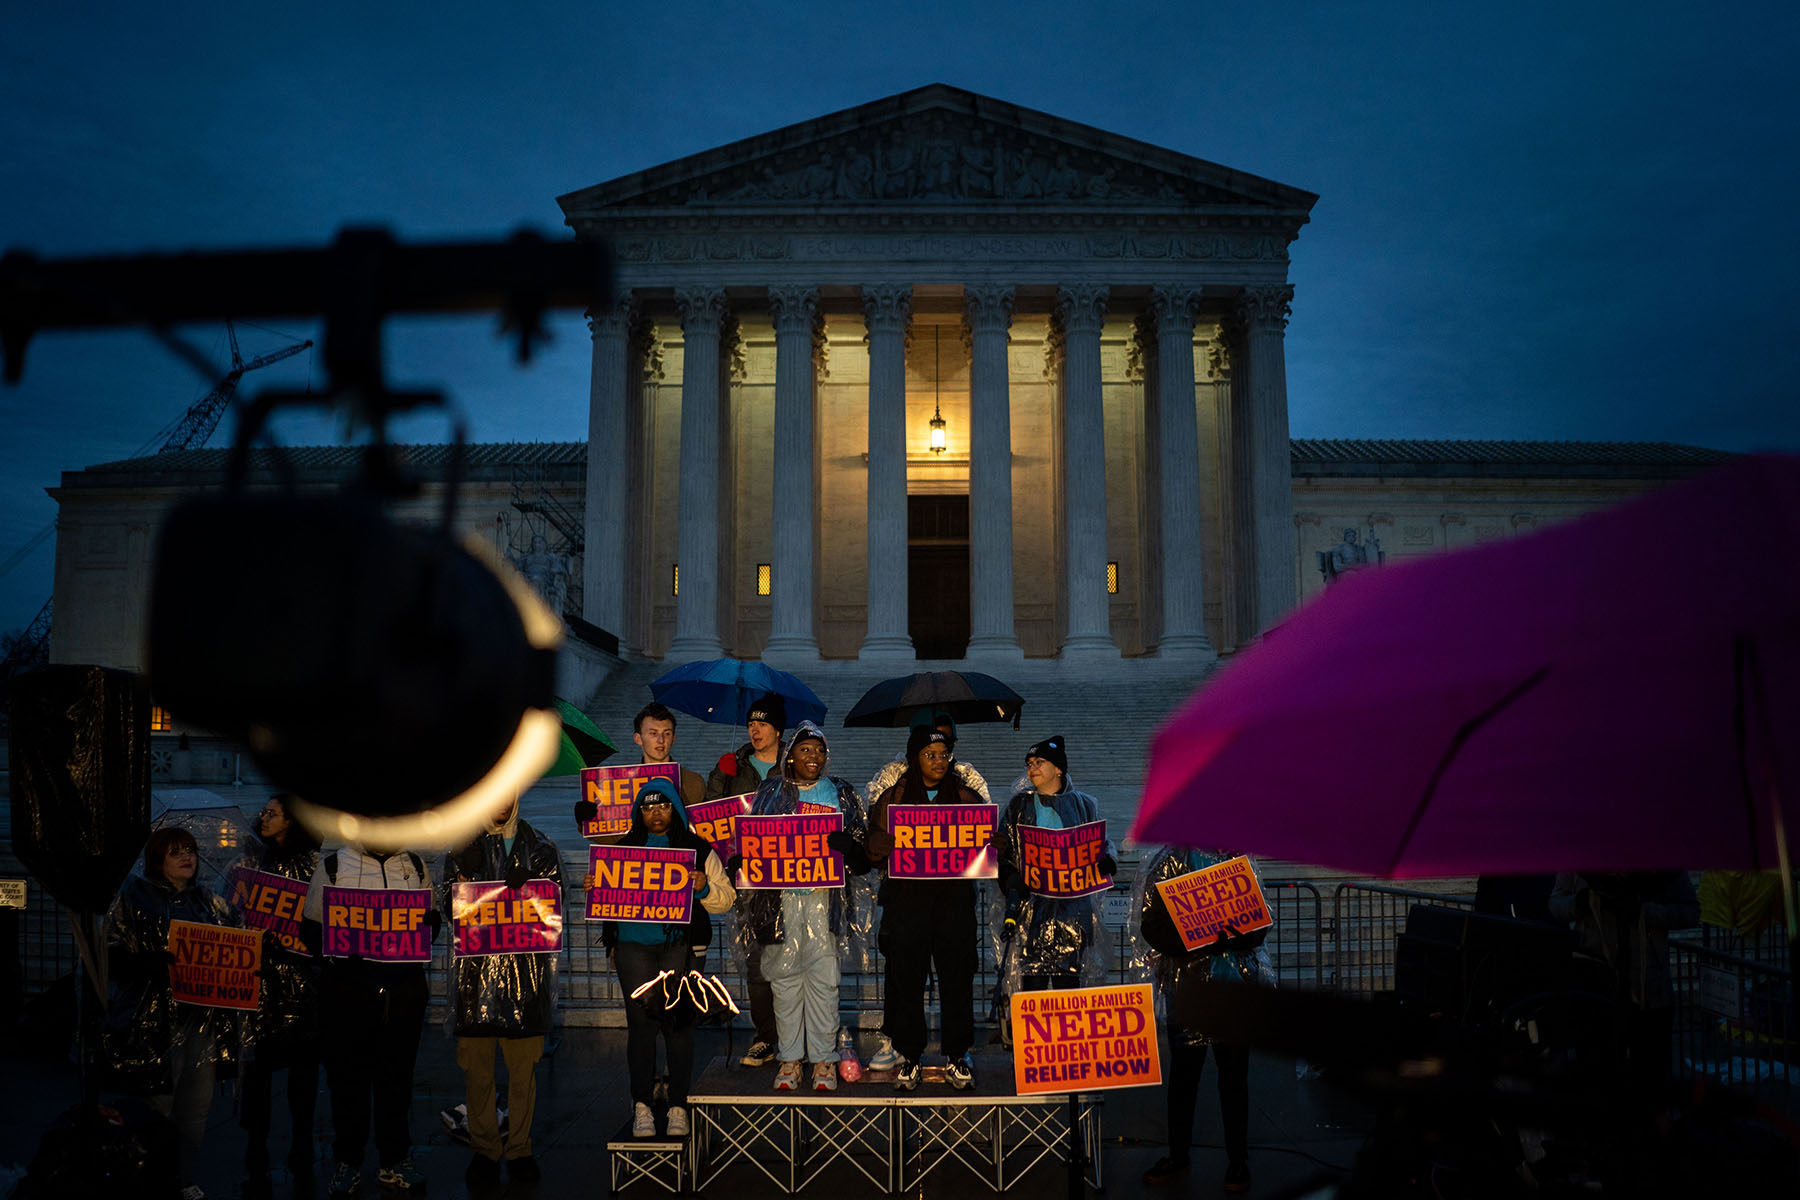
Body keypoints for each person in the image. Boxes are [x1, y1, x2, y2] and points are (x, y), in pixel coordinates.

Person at [105, 827, 244, 1200]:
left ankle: (183, 1179)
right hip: (155, 1025)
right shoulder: (135, 896)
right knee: (156, 1108)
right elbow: (113, 951)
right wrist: (144, 963)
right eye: (175, 852)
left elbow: (237, 945)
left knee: (196, 1110)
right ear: (157, 859)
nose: (187, 857)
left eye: (191, 850)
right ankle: (151, 1180)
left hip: (201, 1022)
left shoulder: (208, 902)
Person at [737, 721, 872, 1092]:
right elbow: (752, 842)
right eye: (805, 749)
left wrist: (849, 847)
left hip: (823, 902)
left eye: (819, 750)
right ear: (790, 755)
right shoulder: (770, 792)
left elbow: (861, 852)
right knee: (784, 981)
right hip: (781, 904)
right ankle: (790, 1058)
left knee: (825, 981)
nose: (814, 756)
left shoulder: (840, 793)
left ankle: (824, 1059)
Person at [302, 838, 437, 1197]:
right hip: (347, 995)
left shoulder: (417, 864)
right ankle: (348, 1162)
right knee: (348, 1083)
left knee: (397, 1081)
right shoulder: (333, 866)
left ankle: (394, 1161)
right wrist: (341, 956)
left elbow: (432, 922)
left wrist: (425, 926)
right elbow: (310, 928)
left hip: (402, 994)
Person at [1135, 846, 1275, 1193]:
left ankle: (1237, 1161)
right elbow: (1151, 924)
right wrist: (1195, 943)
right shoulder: (1169, 860)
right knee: (1184, 1076)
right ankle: (1179, 1157)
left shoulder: (1237, 860)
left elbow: (1260, 924)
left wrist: (1230, 937)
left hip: (1232, 987)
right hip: (1188, 988)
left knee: (1233, 1078)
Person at [603, 776, 735, 1139]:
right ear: (637, 811)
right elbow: (607, 900)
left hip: (679, 946)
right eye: (648, 806)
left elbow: (726, 899)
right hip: (633, 946)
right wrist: (596, 887)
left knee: (678, 1026)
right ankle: (642, 1105)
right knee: (641, 1027)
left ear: (675, 809)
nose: (656, 813)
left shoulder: (697, 849)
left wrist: (703, 887)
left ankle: (678, 1106)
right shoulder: (624, 847)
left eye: (663, 805)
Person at [442, 792, 563, 1187]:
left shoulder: (541, 846)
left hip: (525, 979)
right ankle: (484, 1150)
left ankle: (520, 1149)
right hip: (474, 980)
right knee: (476, 1072)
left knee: (522, 1073)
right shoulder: (462, 846)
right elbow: (447, 909)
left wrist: (532, 886)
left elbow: (554, 906)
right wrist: (463, 877)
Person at [862, 709, 988, 1071]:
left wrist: (995, 845)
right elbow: (871, 849)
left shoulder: (966, 797)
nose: (938, 761)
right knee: (907, 978)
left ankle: (958, 1053)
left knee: (957, 978)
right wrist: (877, 846)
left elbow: (984, 847)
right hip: (908, 904)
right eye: (929, 755)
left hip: (954, 904)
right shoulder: (893, 797)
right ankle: (910, 1053)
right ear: (914, 758)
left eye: (944, 754)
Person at [236, 794, 321, 1194]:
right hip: (257, 980)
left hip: (303, 985)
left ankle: (302, 1144)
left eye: (272, 813)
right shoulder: (250, 858)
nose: (263, 817)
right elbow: (231, 910)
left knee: (302, 1076)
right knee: (256, 1073)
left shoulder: (315, 865)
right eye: (264, 812)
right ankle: (256, 1145)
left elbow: (327, 922)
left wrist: (304, 940)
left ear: (292, 821)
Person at [995, 737, 1115, 1008]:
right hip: (1031, 914)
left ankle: (1066, 1048)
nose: (1031, 769)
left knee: (1068, 989)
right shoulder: (1018, 806)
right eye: (1029, 764)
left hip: (1073, 913)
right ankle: (1032, 1048)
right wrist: (1012, 880)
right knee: (1032, 991)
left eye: (1039, 763)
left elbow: (1100, 843)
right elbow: (1004, 855)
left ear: (1059, 769)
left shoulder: (1084, 805)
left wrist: (1106, 860)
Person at [1549, 871, 1698, 1090]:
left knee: (1650, 1078)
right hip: (1596, 988)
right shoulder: (1577, 859)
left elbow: (1690, 912)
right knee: (1598, 1075)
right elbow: (1555, 905)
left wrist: (1643, 912)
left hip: (1650, 992)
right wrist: (1581, 903)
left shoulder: (1664, 860)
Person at [703, 693, 789, 1067]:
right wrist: (722, 777)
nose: (755, 729)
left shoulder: (794, 763)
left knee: (795, 960)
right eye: (751, 723)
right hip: (747, 880)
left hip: (790, 877)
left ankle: (797, 1035)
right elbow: (710, 820)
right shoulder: (731, 766)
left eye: (763, 723)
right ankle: (766, 1036)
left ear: (778, 730)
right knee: (756, 963)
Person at [632, 701, 705, 810]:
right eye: (653, 733)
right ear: (638, 739)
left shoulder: (694, 782)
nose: (661, 740)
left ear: (673, 739)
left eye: (667, 734)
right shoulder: (624, 784)